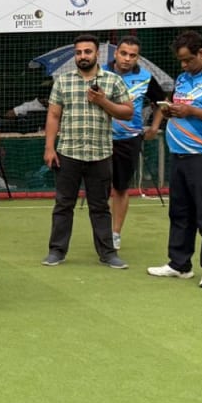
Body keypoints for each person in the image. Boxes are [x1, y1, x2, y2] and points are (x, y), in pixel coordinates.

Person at [42, 34, 133, 268]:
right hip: (68, 152)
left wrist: (103, 101)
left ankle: (108, 253)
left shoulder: (113, 81)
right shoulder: (63, 81)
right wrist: (49, 148)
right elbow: (53, 115)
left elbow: (128, 112)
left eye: (87, 52)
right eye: (79, 52)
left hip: (100, 153)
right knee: (63, 205)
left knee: (100, 207)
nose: (83, 56)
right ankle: (56, 251)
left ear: (97, 54)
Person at [148, 31, 202, 288]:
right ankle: (179, 264)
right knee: (179, 212)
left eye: (188, 60)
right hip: (179, 155)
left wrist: (191, 111)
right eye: (181, 61)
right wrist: (169, 112)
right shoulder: (182, 78)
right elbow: (177, 105)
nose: (184, 65)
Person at [107, 35, 165, 250]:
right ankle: (101, 231)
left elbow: (162, 103)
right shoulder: (100, 73)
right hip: (100, 140)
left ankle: (115, 233)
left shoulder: (146, 78)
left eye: (132, 55)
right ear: (115, 53)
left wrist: (154, 127)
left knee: (121, 188)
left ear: (137, 57)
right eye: (123, 53)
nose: (127, 59)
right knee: (99, 189)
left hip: (129, 140)